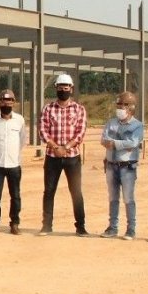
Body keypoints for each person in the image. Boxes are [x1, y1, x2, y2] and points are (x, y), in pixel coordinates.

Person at [38, 74, 88, 236]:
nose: (63, 90)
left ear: (71, 89)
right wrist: (55, 147)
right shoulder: (48, 108)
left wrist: (65, 147)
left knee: (76, 191)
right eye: (60, 87)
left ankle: (80, 226)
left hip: (72, 157)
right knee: (49, 191)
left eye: (66, 87)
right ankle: (46, 225)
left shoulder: (79, 109)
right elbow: (43, 131)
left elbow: (80, 132)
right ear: (56, 89)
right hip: (52, 157)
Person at [100, 91, 144, 240]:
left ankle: (131, 229)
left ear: (131, 107)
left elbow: (133, 142)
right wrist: (122, 144)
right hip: (112, 165)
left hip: (127, 167)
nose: (120, 107)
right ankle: (112, 227)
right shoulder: (111, 123)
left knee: (128, 198)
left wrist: (114, 143)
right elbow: (104, 139)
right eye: (119, 104)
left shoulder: (137, 125)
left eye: (124, 105)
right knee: (113, 198)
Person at [0, 89, 27, 235]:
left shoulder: (20, 120)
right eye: (3, 100)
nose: (5, 103)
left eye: (9, 100)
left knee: (15, 195)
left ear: (13, 103)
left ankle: (14, 224)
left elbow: (23, 140)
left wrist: (13, 154)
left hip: (14, 165)